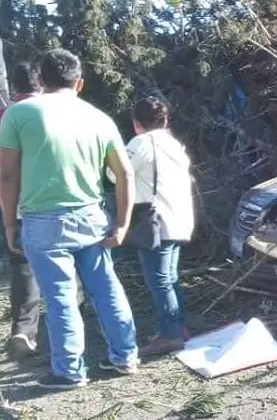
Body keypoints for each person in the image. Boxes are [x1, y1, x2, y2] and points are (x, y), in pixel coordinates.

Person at [0, 48, 139, 390]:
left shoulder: (20, 114)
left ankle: (70, 371)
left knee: (60, 296)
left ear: (42, 80)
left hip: (43, 221)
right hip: (92, 216)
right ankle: (125, 356)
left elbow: (7, 176)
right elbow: (125, 175)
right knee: (106, 288)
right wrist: (122, 223)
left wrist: (10, 224)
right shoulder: (99, 117)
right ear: (79, 83)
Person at [111, 97, 194, 356]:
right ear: (166, 119)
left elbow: (116, 173)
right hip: (179, 218)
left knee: (158, 280)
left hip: (156, 221)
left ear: (137, 123)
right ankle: (178, 327)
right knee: (169, 277)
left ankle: (170, 335)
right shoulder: (174, 144)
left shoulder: (141, 143)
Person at [2, 62, 42, 359]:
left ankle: (23, 329)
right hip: (50, 200)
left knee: (22, 266)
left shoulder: (6, 116)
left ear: (14, 88)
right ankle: (62, 326)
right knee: (66, 263)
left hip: (12, 203)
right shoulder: (55, 112)